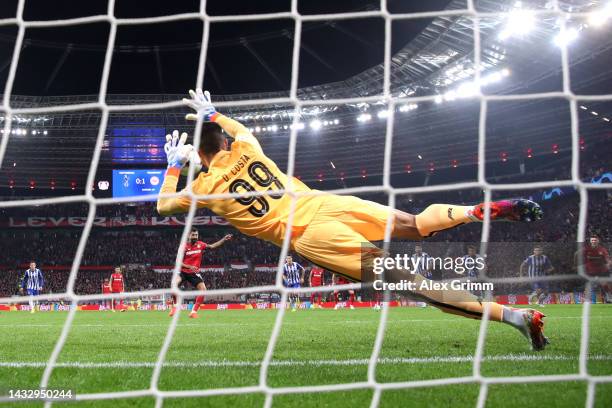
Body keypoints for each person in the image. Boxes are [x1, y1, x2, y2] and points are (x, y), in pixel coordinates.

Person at [156, 89, 548, 350]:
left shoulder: (203, 189)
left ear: (200, 159)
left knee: (418, 286)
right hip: (324, 203)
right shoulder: (248, 147)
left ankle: (516, 317)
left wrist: (173, 167)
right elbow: (240, 130)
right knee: (414, 223)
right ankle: (471, 212)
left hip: (312, 235)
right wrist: (215, 114)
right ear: (224, 143)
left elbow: (162, 206)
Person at [168, 229, 232, 318]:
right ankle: (175, 307)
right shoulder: (183, 246)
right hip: (182, 271)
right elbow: (178, 262)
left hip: (194, 273)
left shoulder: (200, 244)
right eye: (193, 235)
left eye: (196, 235)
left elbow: (212, 246)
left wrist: (223, 239)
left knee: (203, 290)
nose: (195, 237)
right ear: (188, 236)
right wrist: (189, 266)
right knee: (173, 284)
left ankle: (193, 312)